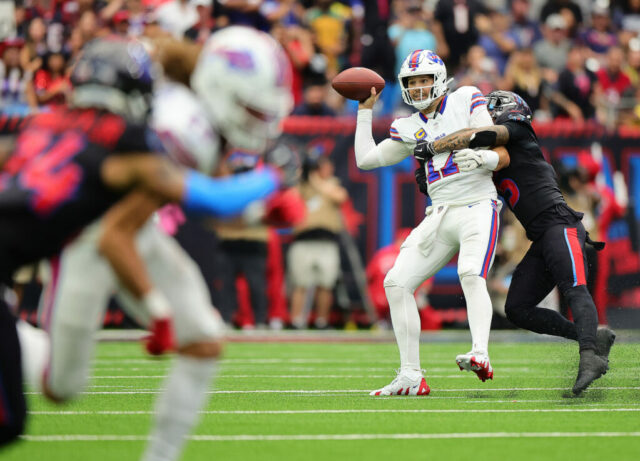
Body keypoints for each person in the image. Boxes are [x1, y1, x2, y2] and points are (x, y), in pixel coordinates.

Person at [3, 32, 292, 452]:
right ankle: (10, 330)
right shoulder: (176, 127)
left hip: (129, 229)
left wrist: (258, 213)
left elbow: (186, 204)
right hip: (89, 236)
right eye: (252, 106)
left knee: (204, 341)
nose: (259, 118)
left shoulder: (194, 117)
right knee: (60, 385)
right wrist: (157, 310)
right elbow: (115, 232)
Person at [413, 90, 615, 395]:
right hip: (540, 236)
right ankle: (590, 338)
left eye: (488, 110)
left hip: (560, 224)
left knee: (575, 289)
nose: (483, 115)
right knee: (518, 307)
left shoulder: (518, 131)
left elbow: (480, 134)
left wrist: (432, 146)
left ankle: (590, 358)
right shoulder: (494, 156)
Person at [355, 49, 509, 396]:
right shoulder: (407, 126)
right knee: (395, 282)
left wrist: (481, 157)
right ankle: (410, 375)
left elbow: (492, 138)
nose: (419, 87)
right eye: (412, 82)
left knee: (470, 272)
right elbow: (366, 159)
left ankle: (480, 353)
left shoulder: (466, 97)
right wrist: (364, 112)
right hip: (439, 212)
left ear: (439, 78)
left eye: (424, 79)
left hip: (476, 203)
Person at [288, 148, 347, 329]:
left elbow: (340, 197)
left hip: (326, 241)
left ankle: (322, 321)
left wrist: (316, 180)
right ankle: (296, 321)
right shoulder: (301, 186)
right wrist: (302, 177)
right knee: (300, 283)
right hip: (303, 240)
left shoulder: (332, 185)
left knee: (325, 284)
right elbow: (289, 198)